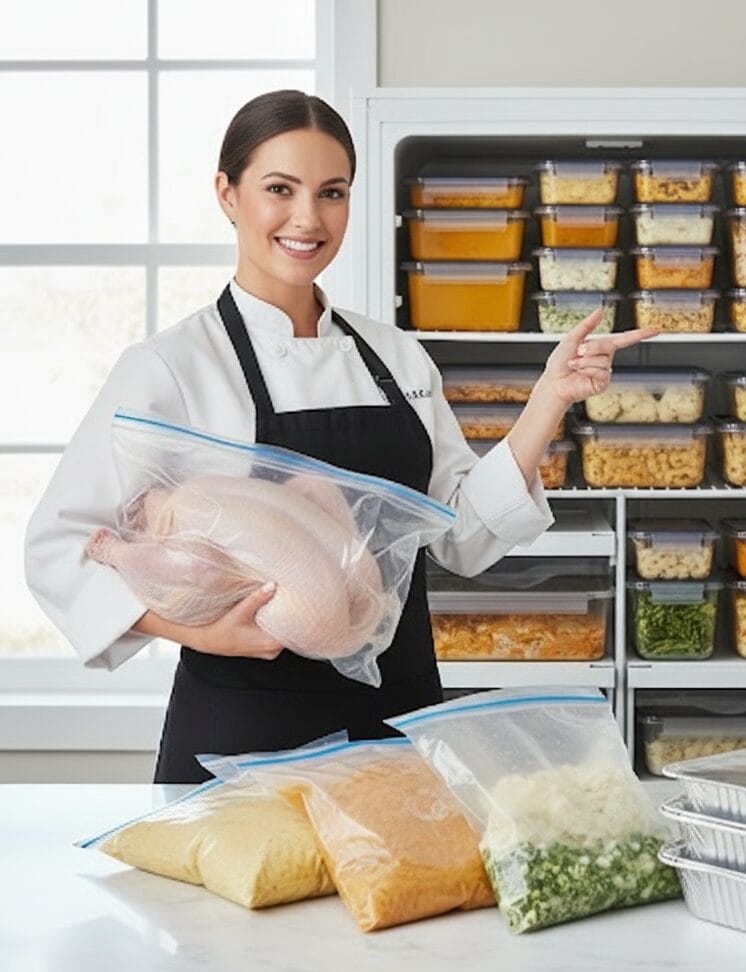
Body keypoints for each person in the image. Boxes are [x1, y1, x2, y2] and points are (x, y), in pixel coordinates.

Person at [24, 90, 656, 783]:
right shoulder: (172, 367)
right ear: (227, 195)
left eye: (332, 193)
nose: (308, 218)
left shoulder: (395, 356)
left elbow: (461, 539)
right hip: (245, 742)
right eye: (279, 189)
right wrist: (198, 632)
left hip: (399, 728)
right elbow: (59, 549)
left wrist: (547, 400)